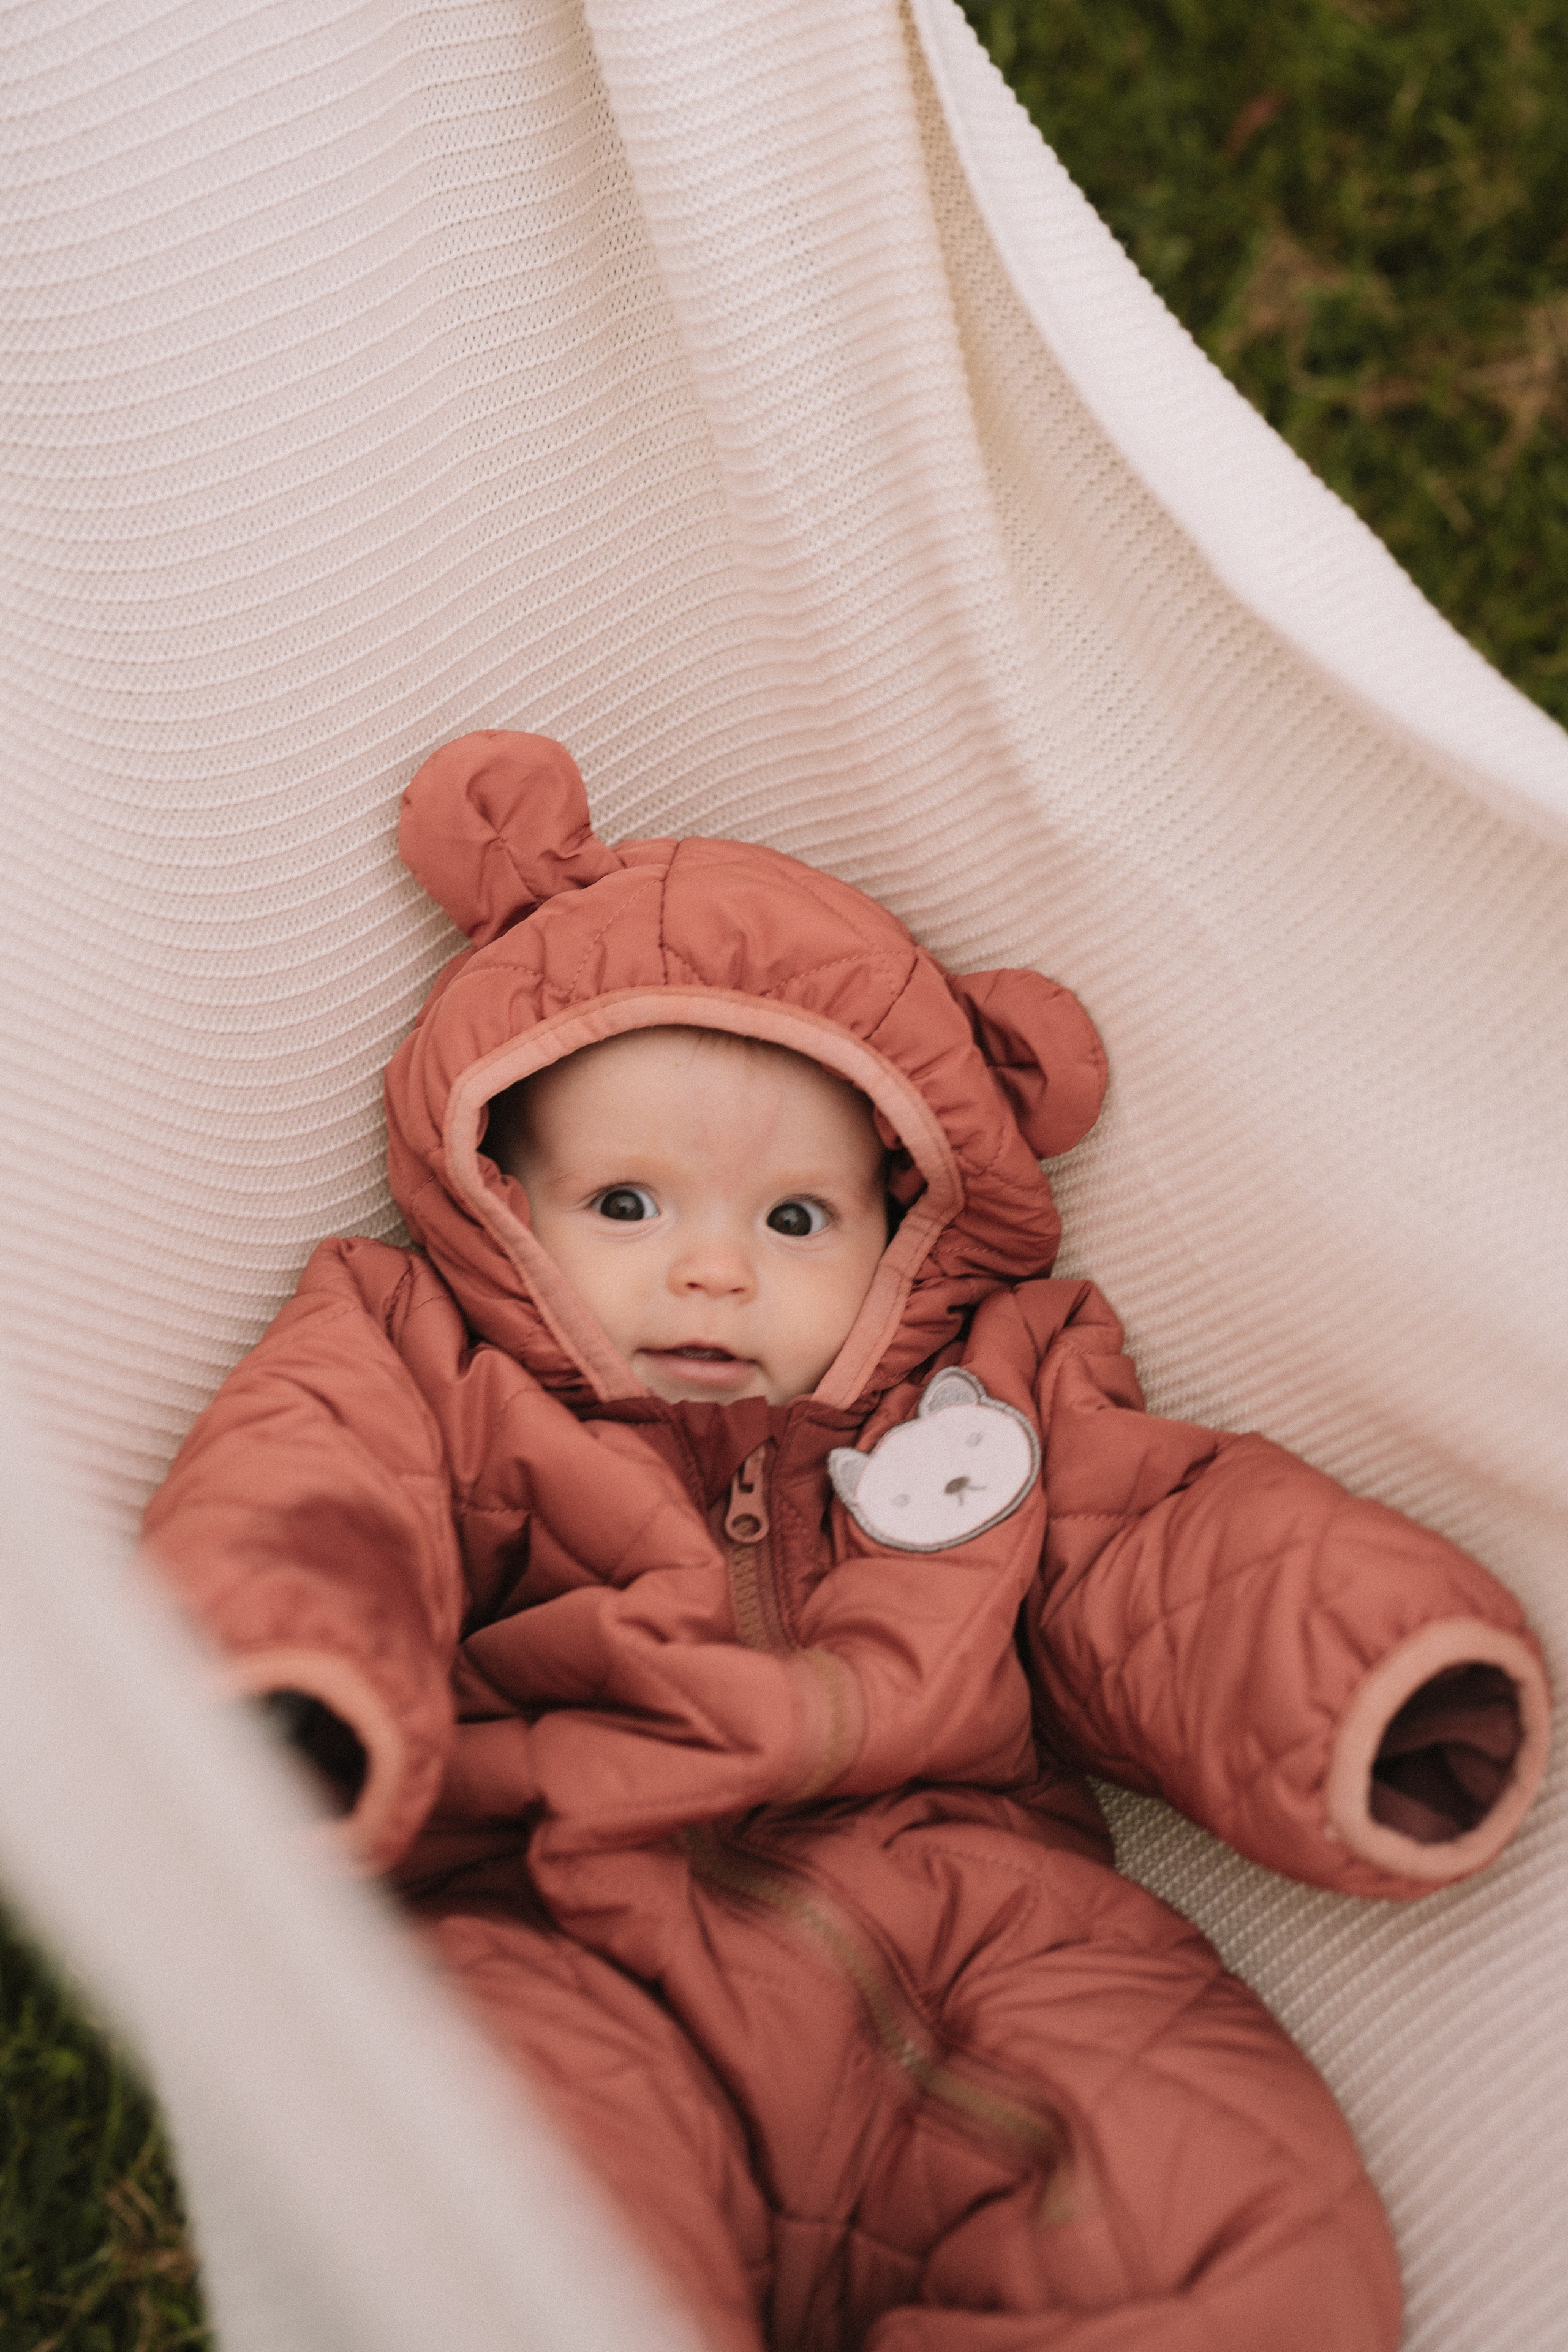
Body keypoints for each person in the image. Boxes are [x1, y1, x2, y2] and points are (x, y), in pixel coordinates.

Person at [143, 729, 1551, 2352]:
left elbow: (1161, 1547)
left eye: (794, 1219)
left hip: (990, 1932)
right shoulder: (426, 1359)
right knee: (505, 2197)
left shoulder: (994, 1392)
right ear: (502, 1196)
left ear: (906, 1220)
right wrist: (294, 1690)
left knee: (1236, 2225)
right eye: (628, 1205)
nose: (715, 1272)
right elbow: (312, 1499)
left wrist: (1358, 1665)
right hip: (558, 1925)